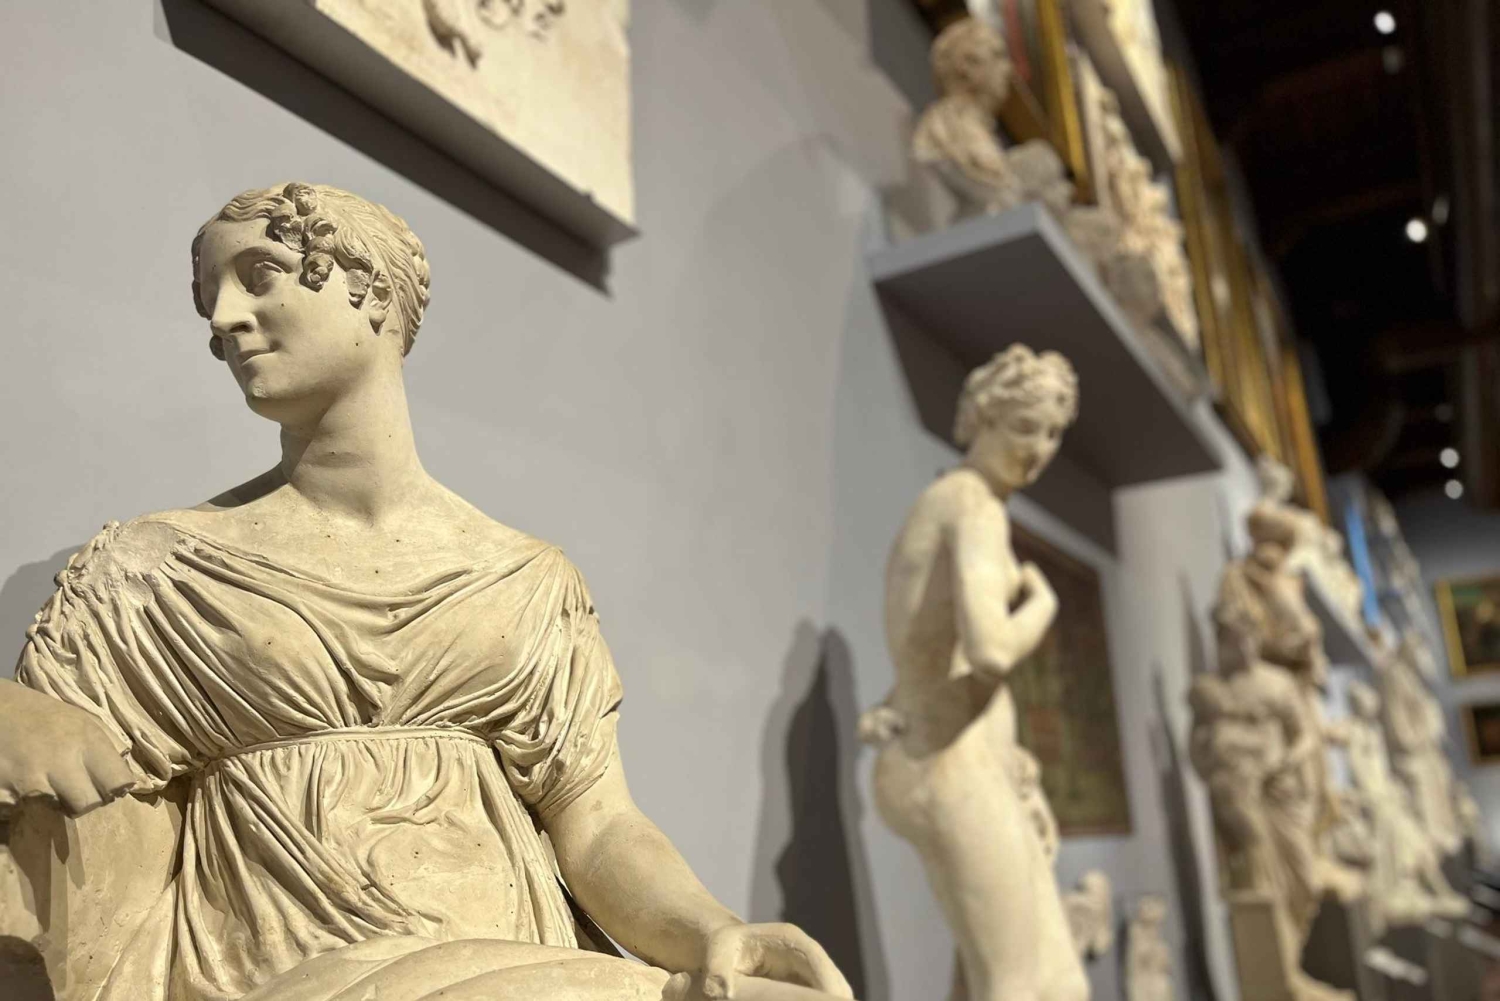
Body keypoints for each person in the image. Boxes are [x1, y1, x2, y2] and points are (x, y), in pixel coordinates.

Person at [0, 182, 853, 1001]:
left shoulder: (525, 580)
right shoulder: (154, 573)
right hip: (286, 975)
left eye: (259, 276)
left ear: (371, 290)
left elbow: (598, 826)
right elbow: (65, 825)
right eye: (209, 300)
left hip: (523, 966)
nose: (223, 320)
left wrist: (714, 931)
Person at [860, 345, 1087, 1001]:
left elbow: (933, 651)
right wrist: (1042, 604)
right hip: (947, 762)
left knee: (1048, 981)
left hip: (966, 755)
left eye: (1053, 433)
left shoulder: (962, 502)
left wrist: (1013, 763)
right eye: (1025, 427)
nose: (1039, 450)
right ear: (984, 417)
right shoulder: (972, 507)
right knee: (1020, 986)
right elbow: (990, 650)